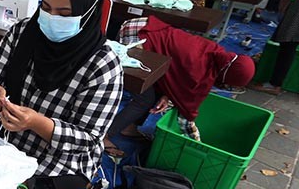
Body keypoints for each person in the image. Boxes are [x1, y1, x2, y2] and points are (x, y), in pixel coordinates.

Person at [0, 0, 123, 185]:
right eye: (47, 8)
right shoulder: (24, 32)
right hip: (3, 143)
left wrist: (37, 123)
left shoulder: (103, 66)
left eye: (65, 13)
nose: (52, 18)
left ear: (88, 12)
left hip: (59, 164)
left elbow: (88, 140)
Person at [104, 16, 254, 153]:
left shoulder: (217, 54)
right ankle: (104, 135)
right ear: (227, 77)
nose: (229, 88)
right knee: (145, 99)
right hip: (136, 37)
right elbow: (186, 118)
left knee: (155, 90)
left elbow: (176, 71)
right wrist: (200, 147)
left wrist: (166, 94)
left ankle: (129, 126)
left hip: (144, 26)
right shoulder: (200, 74)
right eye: (231, 85)